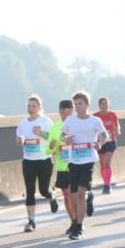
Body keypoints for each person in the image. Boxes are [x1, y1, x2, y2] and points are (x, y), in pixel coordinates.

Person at [61, 91, 107, 240]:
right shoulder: (70, 120)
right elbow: (63, 134)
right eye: (75, 104)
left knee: (80, 193)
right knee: (74, 196)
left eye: (80, 104)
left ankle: (79, 227)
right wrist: (66, 139)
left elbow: (104, 135)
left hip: (88, 160)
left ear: (87, 105)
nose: (77, 107)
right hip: (74, 161)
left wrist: (100, 143)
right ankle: (88, 199)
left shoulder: (95, 121)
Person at [16, 94, 58, 231]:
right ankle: (31, 221)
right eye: (29, 106)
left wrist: (40, 133)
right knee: (30, 191)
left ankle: (51, 196)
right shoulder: (22, 124)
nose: (31, 108)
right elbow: (20, 139)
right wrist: (21, 141)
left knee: (43, 190)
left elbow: (54, 140)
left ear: (39, 107)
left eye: (33, 106)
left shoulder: (46, 121)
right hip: (28, 160)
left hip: (44, 160)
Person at [45, 100, 76, 233]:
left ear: (72, 110)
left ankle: (87, 199)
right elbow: (48, 150)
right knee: (67, 195)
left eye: (66, 110)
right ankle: (74, 222)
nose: (63, 113)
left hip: (76, 165)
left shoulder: (78, 124)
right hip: (62, 167)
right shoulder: (55, 127)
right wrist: (51, 146)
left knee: (76, 195)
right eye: (61, 110)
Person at [93, 97, 119, 194]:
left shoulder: (112, 115)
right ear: (99, 105)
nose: (104, 106)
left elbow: (117, 125)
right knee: (102, 164)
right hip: (100, 142)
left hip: (110, 141)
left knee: (107, 163)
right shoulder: (95, 116)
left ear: (108, 105)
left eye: (106, 103)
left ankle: (107, 185)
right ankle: (105, 182)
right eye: (102, 104)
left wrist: (118, 130)